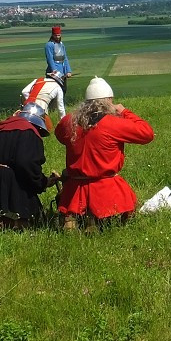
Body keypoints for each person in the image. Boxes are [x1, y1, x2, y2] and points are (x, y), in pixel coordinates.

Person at [56, 76, 154, 230]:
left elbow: (60, 135)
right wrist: (124, 111)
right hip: (105, 185)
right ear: (108, 101)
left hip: (75, 184)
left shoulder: (69, 121)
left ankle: (73, 215)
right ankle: (95, 217)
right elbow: (147, 134)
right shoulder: (113, 124)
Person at [0, 102, 57, 231]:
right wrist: (42, 182)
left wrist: (43, 181)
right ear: (37, 124)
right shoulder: (29, 132)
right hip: (6, 179)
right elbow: (26, 164)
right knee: (34, 221)